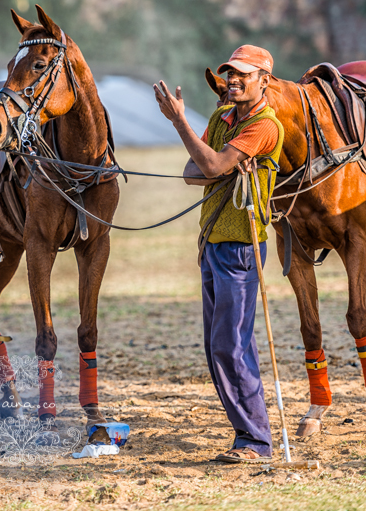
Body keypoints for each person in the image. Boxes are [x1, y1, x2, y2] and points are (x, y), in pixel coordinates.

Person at [154, 45, 284, 464]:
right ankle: (247, 434)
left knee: (231, 344)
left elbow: (207, 168)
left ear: (264, 80)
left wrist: (180, 125)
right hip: (212, 244)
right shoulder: (221, 118)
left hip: (242, 248)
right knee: (217, 346)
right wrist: (220, 163)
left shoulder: (265, 126)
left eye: (243, 75)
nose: (232, 79)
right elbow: (195, 171)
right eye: (230, 73)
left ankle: (256, 442)